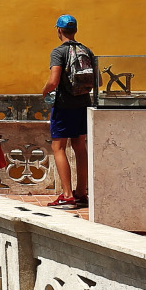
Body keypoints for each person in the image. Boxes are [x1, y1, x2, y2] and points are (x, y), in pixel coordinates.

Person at [41, 15, 97, 208]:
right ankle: (81, 193)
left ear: (58, 30)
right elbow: (99, 81)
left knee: (58, 148)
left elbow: (54, 80)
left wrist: (45, 90)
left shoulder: (59, 52)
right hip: (83, 104)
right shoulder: (86, 50)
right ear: (75, 30)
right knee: (80, 147)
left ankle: (67, 195)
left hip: (64, 105)